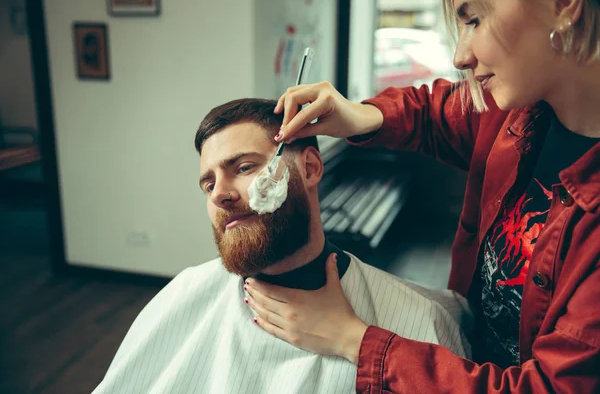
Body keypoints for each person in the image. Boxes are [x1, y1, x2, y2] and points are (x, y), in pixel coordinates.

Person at [245, 0, 600, 393]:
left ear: (564, 1)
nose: (459, 56)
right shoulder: (520, 112)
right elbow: (436, 111)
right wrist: (358, 116)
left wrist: (353, 340)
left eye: (475, 21)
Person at [92, 98, 473, 394]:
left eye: (243, 168)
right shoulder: (182, 296)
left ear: (309, 169)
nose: (221, 194)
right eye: (208, 184)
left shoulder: (422, 323)